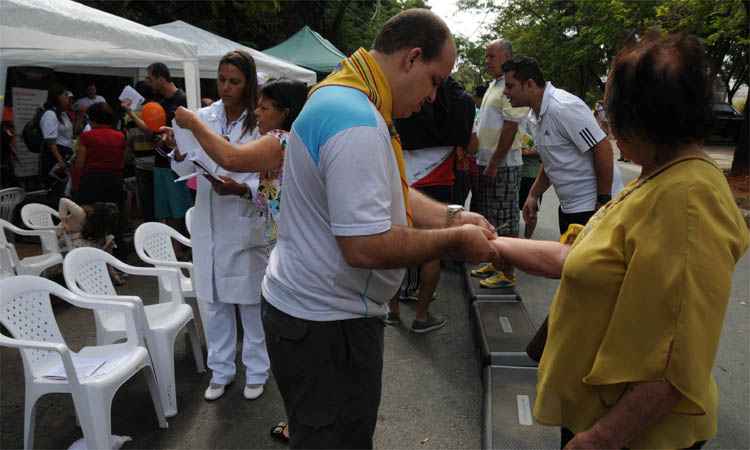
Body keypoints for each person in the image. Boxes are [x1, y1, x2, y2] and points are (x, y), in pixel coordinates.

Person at [489, 33, 749, 450]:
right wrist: (492, 245)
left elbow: (675, 361)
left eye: (611, 109)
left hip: (634, 436)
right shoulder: (659, 174)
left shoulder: (688, 199)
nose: (606, 123)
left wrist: (602, 439)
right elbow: (577, 257)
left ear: (641, 117)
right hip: (596, 410)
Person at [259, 9, 496, 449]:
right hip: (326, 324)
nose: (432, 99)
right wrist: (455, 241)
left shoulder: (351, 97)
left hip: (316, 312)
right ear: (411, 58)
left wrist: (451, 215)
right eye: (435, 81)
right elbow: (365, 246)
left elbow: (389, 195)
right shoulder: (357, 120)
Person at [169, 54, 303, 403]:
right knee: (212, 298)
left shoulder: (260, 123)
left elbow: (263, 175)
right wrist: (178, 153)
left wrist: (241, 188)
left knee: (248, 300)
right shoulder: (205, 116)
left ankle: (257, 370)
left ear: (249, 85)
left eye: (234, 82)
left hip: (244, 216)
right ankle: (221, 369)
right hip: (209, 214)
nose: (225, 88)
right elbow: (189, 155)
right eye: (222, 80)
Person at [387, 76, 476, 333]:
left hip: (402, 177)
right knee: (432, 252)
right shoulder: (458, 101)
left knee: (394, 245)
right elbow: (466, 146)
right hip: (438, 182)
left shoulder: (408, 91)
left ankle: (392, 311)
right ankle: (422, 316)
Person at [501, 56, 623, 235]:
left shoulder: (563, 107)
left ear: (529, 84)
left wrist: (603, 202)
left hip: (592, 207)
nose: (505, 92)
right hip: (570, 208)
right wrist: (533, 194)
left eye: (510, 86)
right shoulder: (534, 116)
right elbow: (552, 160)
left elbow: (602, 147)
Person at [468, 40, 529, 289]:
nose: (487, 61)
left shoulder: (511, 86)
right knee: (491, 217)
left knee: (505, 219)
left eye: (491, 56)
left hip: (503, 164)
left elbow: (511, 126)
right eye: (486, 56)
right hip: (488, 163)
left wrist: (494, 162)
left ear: (506, 56)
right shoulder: (495, 84)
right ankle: (495, 262)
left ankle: (507, 272)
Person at [124, 63, 192, 233]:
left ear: (161, 78)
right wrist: (130, 112)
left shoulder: (182, 100)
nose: (148, 82)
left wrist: (173, 140)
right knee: (165, 209)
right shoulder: (160, 102)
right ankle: (173, 247)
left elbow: (189, 135)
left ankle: (181, 248)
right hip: (160, 162)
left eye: (150, 78)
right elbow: (151, 130)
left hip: (177, 165)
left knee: (179, 209)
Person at [73, 102, 126, 206]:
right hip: (114, 179)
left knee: (89, 214)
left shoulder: (86, 136)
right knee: (112, 214)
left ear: (93, 118)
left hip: (91, 180)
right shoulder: (120, 136)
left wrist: (75, 186)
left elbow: (79, 164)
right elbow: (122, 160)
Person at [40, 83, 75, 202]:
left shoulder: (64, 114)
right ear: (57, 97)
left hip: (65, 155)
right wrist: (60, 161)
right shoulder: (50, 114)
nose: (68, 99)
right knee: (56, 190)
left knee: (64, 190)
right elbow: (50, 141)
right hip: (55, 158)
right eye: (65, 96)